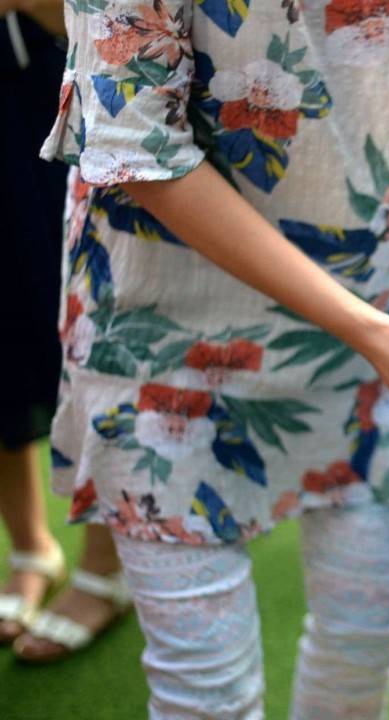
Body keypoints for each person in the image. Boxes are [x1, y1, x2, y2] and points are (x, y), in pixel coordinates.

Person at [36, 0, 389, 716]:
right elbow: (138, 148)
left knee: (363, 636)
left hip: (380, 302)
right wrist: (368, 328)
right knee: (204, 693)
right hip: (168, 331)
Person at [1, 0, 130, 664]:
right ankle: (30, 545)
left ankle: (105, 565)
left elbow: (109, 23)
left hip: (51, 102)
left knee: (78, 323)